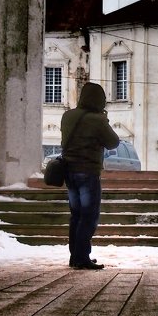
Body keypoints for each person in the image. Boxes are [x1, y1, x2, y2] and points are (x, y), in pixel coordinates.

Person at [61, 82, 120, 270]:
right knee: (89, 216)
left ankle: (75, 256)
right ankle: (82, 258)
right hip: (87, 173)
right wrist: (105, 121)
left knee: (76, 215)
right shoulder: (97, 120)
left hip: (69, 172)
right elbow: (113, 142)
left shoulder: (67, 116)